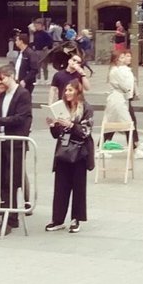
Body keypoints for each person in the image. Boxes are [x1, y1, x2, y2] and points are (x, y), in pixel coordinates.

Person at [0, 66, 33, 231]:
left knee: (12, 180)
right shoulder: (2, 96)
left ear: (11, 77)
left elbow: (20, 118)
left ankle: (11, 217)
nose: (0, 83)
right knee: (3, 180)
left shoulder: (23, 94)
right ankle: (7, 215)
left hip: (15, 143)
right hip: (2, 142)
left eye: (2, 79)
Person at [45, 79, 93, 233]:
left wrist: (71, 125)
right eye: (66, 90)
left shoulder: (86, 108)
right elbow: (56, 135)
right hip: (63, 150)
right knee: (60, 186)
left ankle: (76, 218)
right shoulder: (61, 108)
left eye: (70, 90)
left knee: (78, 186)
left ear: (78, 91)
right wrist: (53, 125)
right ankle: (58, 219)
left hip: (79, 151)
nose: (67, 93)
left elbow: (86, 131)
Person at [101, 51, 143, 158]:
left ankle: (102, 147)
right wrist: (129, 87)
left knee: (115, 125)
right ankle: (134, 150)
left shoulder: (118, 70)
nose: (124, 59)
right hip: (118, 100)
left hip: (120, 99)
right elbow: (125, 85)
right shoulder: (116, 71)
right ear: (116, 60)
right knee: (127, 125)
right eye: (121, 57)